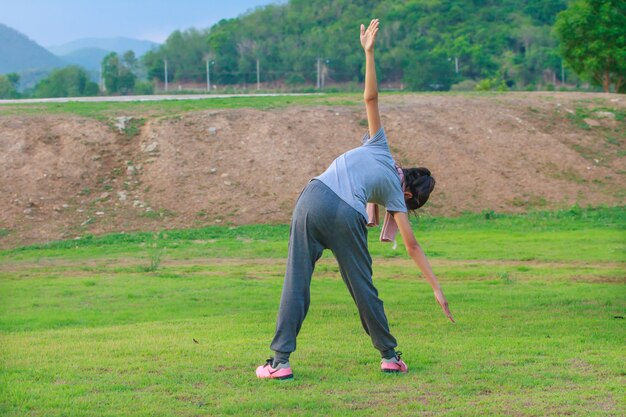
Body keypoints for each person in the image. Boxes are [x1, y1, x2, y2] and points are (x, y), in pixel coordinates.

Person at [256, 19, 454, 380]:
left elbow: (370, 98)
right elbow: (411, 246)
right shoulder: (395, 193)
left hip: (313, 197)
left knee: (296, 282)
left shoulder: (380, 145)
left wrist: (369, 53)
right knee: (363, 287)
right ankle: (390, 356)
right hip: (346, 214)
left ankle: (279, 363)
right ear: (409, 194)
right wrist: (437, 288)